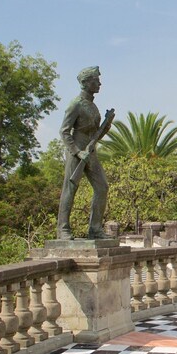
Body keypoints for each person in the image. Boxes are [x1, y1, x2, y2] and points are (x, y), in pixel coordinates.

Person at [56, 67, 114, 240]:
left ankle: (95, 229)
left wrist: (107, 124)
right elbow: (64, 131)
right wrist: (77, 152)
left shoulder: (93, 106)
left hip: (91, 149)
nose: (99, 83)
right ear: (85, 83)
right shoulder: (76, 104)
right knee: (70, 188)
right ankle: (63, 229)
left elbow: (96, 135)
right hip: (77, 150)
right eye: (95, 80)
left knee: (102, 186)